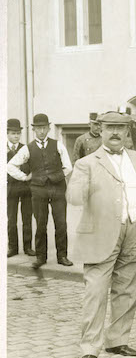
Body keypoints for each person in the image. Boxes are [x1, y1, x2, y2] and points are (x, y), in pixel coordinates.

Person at [67, 111, 136, 358]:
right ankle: (89, 348)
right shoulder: (86, 163)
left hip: (135, 231)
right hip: (100, 234)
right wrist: (78, 189)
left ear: (127, 132)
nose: (116, 132)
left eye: (120, 128)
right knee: (95, 292)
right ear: (101, 130)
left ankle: (117, 340)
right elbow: (73, 196)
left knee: (128, 288)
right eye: (110, 128)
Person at [8, 113, 73, 268]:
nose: (41, 131)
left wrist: (56, 176)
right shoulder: (28, 149)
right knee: (41, 224)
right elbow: (10, 166)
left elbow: (68, 167)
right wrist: (25, 177)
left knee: (61, 223)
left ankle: (62, 256)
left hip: (57, 189)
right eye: (38, 128)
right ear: (34, 130)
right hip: (38, 190)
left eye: (44, 128)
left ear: (49, 128)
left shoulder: (58, 145)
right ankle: (40, 257)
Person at [7, 118, 33, 257]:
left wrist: (29, 177)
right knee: (11, 219)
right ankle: (13, 247)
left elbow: (32, 166)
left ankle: (28, 247)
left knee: (27, 218)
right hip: (9, 189)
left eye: (18, 133)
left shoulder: (26, 148)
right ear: (7, 134)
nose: (16, 136)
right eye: (13, 133)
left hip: (25, 189)